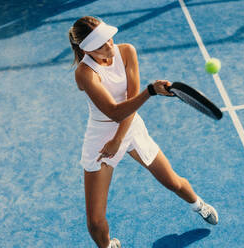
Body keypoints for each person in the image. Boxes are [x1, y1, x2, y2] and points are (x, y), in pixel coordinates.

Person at [68, 16, 218, 248]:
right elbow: (114, 112)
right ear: (86, 49)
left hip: (131, 126)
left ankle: (198, 204)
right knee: (95, 222)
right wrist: (151, 91)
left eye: (109, 38)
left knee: (173, 182)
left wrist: (119, 138)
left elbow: (129, 102)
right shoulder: (85, 73)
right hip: (101, 136)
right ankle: (107, 245)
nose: (109, 46)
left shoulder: (127, 51)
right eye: (100, 45)